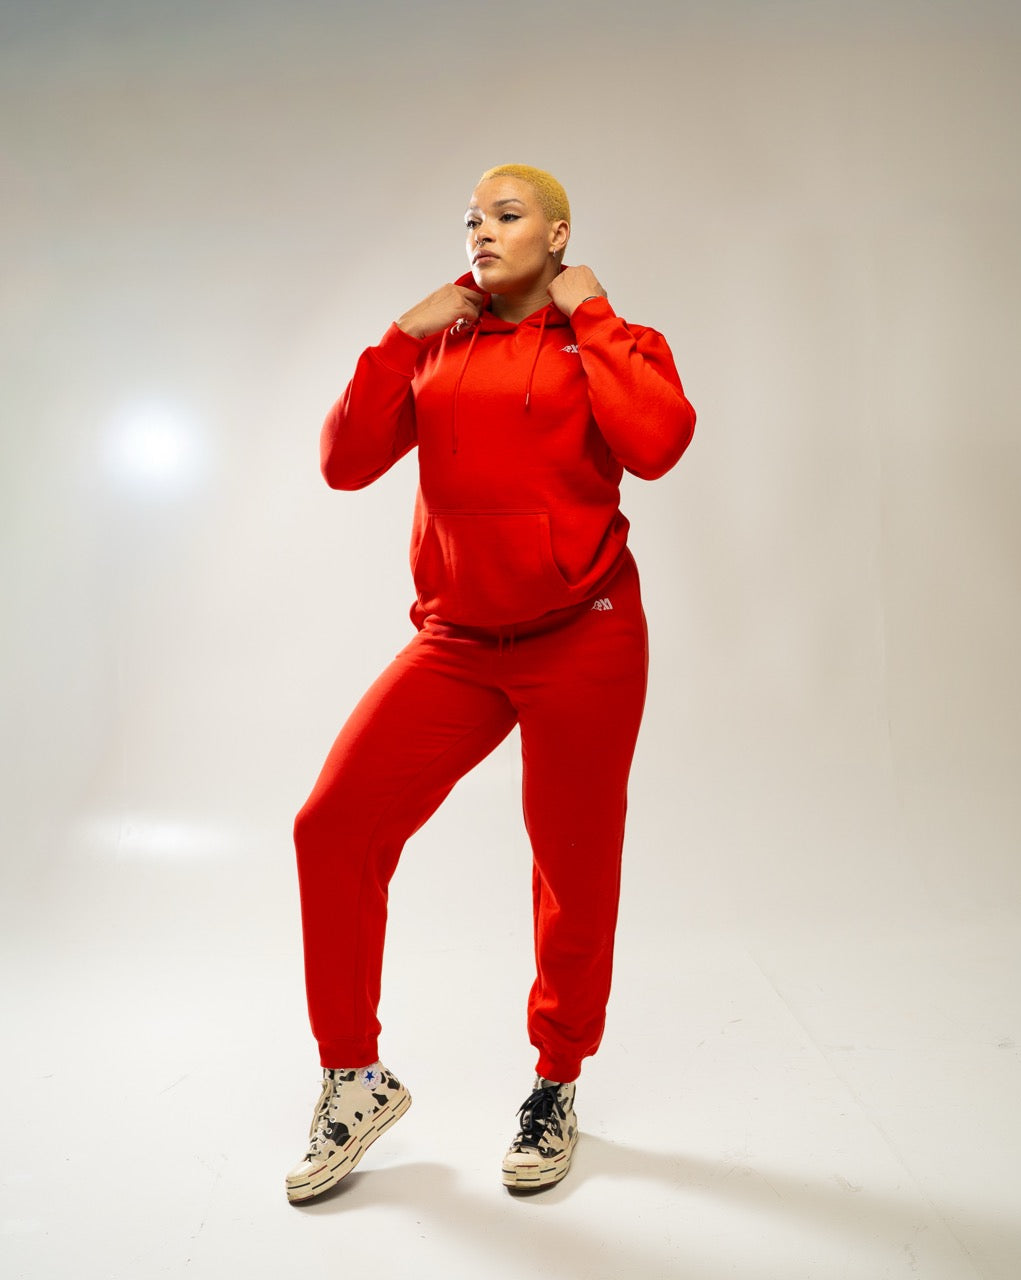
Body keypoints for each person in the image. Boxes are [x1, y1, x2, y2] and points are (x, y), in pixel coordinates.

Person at [286, 164, 696, 1203]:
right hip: (458, 640)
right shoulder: (440, 343)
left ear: (557, 235)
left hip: (584, 635)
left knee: (570, 867)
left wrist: (592, 316)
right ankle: (353, 1079)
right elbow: (343, 461)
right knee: (332, 824)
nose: (481, 231)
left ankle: (555, 1081)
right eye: (472, 218)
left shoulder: (613, 339)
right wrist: (400, 334)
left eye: (507, 215)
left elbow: (657, 443)